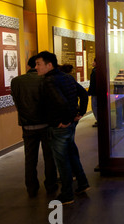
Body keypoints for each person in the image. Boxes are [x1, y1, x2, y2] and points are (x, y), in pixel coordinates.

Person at [35, 51, 90, 205]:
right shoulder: (67, 77)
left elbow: (61, 102)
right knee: (72, 154)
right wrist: (80, 113)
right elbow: (83, 95)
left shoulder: (48, 81)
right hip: (71, 124)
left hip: (60, 126)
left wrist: (64, 120)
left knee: (62, 161)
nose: (36, 67)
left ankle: (67, 194)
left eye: (39, 64)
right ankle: (83, 183)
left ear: (49, 65)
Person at [11, 55, 58, 197]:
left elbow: (17, 101)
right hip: (45, 125)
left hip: (27, 125)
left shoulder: (16, 81)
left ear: (28, 66)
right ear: (36, 65)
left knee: (30, 158)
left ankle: (31, 188)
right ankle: (51, 186)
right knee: (49, 157)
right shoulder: (44, 80)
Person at [88, 58, 97, 127]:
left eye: (94, 61)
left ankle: (99, 120)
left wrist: (90, 91)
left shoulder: (95, 71)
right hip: (96, 92)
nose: (92, 63)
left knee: (94, 106)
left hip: (95, 92)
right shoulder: (97, 71)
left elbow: (93, 83)